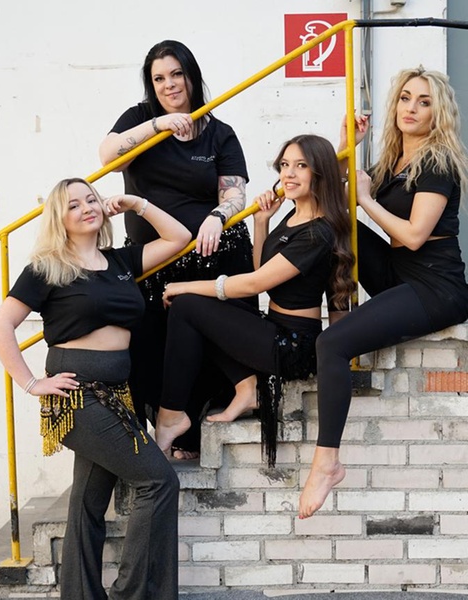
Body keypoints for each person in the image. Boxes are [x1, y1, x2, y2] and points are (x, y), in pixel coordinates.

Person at [0, 178, 191, 600]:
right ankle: (131, 594)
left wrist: (136, 202)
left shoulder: (120, 261)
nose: (86, 208)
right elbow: (0, 327)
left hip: (118, 394)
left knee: (87, 505)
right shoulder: (46, 268)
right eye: (73, 204)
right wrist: (31, 383)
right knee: (159, 482)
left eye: (91, 199)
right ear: (59, 219)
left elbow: (179, 237)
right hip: (77, 397)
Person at [300, 67, 468, 519]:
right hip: (398, 274)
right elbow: (332, 196)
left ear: (438, 114)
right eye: (406, 98)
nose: (411, 108)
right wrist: (345, 144)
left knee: (332, 344)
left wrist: (367, 199)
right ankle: (312, 324)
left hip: (435, 286)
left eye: (424, 102)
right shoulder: (392, 161)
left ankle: (327, 462)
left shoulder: (437, 163)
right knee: (329, 228)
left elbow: (413, 236)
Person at [154, 134, 355, 465]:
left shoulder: (318, 232)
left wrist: (186, 285)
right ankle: (245, 388)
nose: (289, 174)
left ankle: (171, 414)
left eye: (301, 166)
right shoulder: (293, 218)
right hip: (275, 328)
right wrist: (261, 221)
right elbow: (263, 272)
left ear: (320, 173)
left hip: (292, 345)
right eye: (285, 165)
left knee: (189, 305)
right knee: (197, 308)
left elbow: (253, 283)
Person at [99, 40, 255, 458]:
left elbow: (235, 193)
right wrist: (160, 125)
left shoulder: (219, 133)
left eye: (176, 74)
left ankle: (190, 434)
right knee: (147, 343)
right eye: (159, 78)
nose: (169, 85)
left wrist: (218, 215)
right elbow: (108, 157)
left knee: (203, 338)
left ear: (191, 76)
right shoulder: (140, 118)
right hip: (154, 258)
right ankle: (156, 433)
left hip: (209, 252)